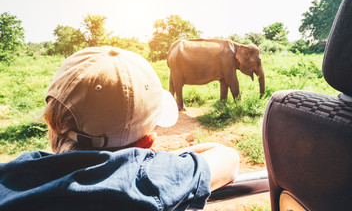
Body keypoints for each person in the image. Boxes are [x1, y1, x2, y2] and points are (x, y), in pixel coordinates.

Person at [0, 46, 240, 211]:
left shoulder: (9, 178)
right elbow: (228, 158)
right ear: (147, 142)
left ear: (52, 124)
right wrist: (151, 160)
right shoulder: (148, 180)